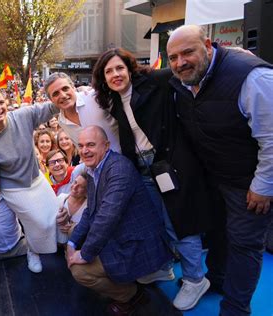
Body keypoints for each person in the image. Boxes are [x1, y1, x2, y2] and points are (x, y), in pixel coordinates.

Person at [91, 47, 214, 310]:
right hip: (144, 171)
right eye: (109, 70)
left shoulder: (155, 82)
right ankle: (164, 268)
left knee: (180, 224)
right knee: (157, 223)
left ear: (129, 68)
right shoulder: (113, 100)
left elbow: (186, 72)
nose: (115, 74)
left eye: (119, 68)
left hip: (169, 166)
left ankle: (195, 279)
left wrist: (224, 57)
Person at [166, 25, 273, 316]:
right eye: (173, 57)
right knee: (216, 235)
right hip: (213, 177)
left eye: (187, 52)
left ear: (209, 46)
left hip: (247, 185)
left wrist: (264, 186)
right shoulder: (182, 81)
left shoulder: (253, 78)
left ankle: (235, 310)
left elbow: (272, 138)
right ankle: (218, 281)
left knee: (243, 246)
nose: (180, 62)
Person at [66, 126, 170, 315]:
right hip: (119, 235)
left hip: (137, 244)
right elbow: (91, 212)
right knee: (74, 234)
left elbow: (106, 217)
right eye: (80, 146)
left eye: (90, 144)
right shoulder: (93, 169)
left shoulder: (119, 169)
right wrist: (72, 244)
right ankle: (121, 281)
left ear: (106, 146)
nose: (84, 150)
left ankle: (132, 294)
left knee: (80, 272)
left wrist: (84, 254)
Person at [0, 88, 59, 273]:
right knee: (38, 222)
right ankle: (33, 251)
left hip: (36, 179)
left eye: (1, 102)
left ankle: (61, 249)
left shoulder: (23, 116)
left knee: (57, 217)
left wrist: (72, 96)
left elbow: (51, 107)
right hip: (13, 188)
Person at [44, 72, 120, 152]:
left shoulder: (95, 97)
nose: (63, 95)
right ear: (51, 100)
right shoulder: (62, 122)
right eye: (56, 94)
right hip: (97, 164)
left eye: (65, 89)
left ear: (73, 87)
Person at [55, 172, 88, 243]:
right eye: (75, 182)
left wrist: (75, 228)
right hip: (56, 247)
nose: (75, 187)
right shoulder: (60, 199)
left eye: (81, 186)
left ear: (87, 191)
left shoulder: (88, 207)